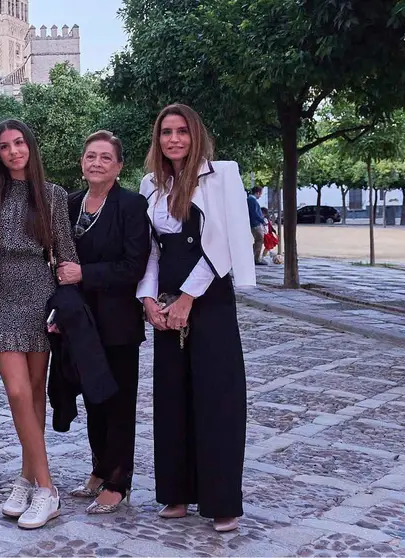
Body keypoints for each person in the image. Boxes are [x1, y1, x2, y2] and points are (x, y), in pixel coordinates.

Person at [136, 103, 255, 533]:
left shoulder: (222, 175)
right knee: (171, 397)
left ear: (195, 134)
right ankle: (177, 493)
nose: (173, 139)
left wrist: (188, 297)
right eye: (166, 131)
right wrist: (149, 299)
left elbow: (224, 242)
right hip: (167, 303)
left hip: (210, 299)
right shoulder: (151, 183)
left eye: (181, 131)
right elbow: (152, 249)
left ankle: (222, 501)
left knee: (217, 398)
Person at [0, 119, 75, 529]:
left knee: (35, 395)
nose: (14, 151)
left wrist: (66, 300)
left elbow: (66, 254)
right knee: (17, 392)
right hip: (2, 299)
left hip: (40, 300)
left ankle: (26, 478)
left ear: (31, 147)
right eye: (4, 147)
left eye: (19, 143)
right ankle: (48, 489)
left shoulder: (53, 197)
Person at [55, 130, 150, 514]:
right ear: (82, 162)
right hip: (80, 320)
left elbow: (134, 266)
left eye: (105, 157)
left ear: (119, 166)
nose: (96, 162)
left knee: (118, 401)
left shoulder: (131, 205)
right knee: (93, 396)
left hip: (118, 322)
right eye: (90, 155)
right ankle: (98, 469)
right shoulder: (71, 203)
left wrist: (84, 275)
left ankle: (118, 481)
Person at [248, 186, 266, 265]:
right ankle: (256, 258)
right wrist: (262, 221)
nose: (260, 195)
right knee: (259, 240)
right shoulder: (252, 200)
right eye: (260, 193)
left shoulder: (250, 200)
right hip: (255, 224)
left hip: (254, 223)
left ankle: (252, 256)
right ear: (258, 193)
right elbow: (254, 213)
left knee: (258, 240)